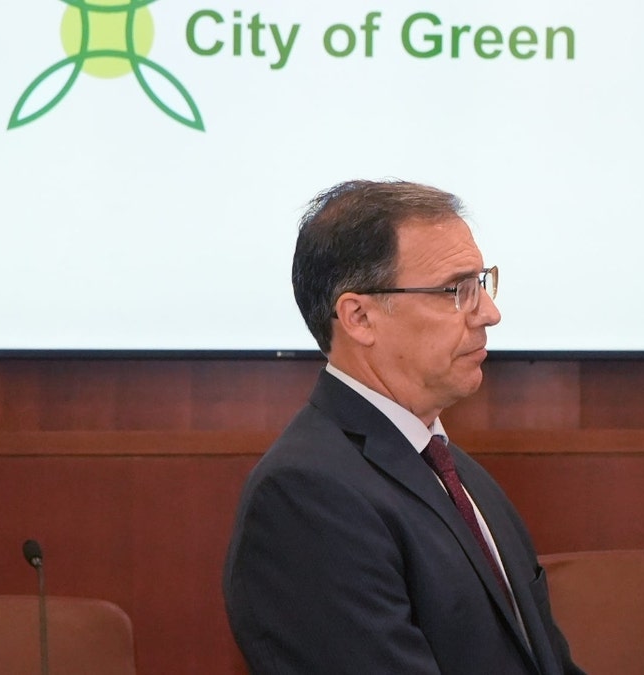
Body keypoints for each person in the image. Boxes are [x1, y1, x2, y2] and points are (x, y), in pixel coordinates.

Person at [223, 179, 584, 675]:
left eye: (481, 283)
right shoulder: (305, 496)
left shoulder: (460, 474)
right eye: (455, 290)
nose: (490, 313)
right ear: (359, 317)